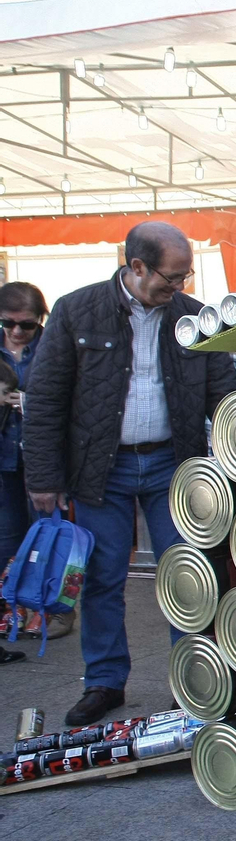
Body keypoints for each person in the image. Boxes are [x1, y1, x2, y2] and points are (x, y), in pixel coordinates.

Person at [25, 222, 236, 725]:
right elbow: (47, 399)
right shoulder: (77, 310)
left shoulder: (194, 316)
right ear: (136, 267)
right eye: (172, 277)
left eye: (186, 277)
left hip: (173, 464)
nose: (179, 288)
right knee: (101, 579)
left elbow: (225, 393)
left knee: (188, 579)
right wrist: (42, 478)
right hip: (101, 468)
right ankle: (103, 683)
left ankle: (191, 685)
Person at [0, 283, 48, 661]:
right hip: (4, 456)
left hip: (42, 458)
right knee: (7, 539)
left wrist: (30, 402)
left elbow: (67, 396)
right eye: (8, 323)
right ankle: (11, 609)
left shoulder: (51, 347)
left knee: (46, 540)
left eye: (26, 325)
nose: (16, 331)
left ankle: (49, 612)